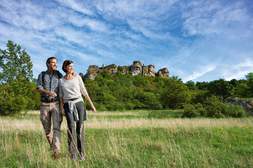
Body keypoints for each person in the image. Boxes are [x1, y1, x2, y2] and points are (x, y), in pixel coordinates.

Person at [59, 60, 96, 160]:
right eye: (70, 66)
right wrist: (62, 109)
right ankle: (73, 154)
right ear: (65, 67)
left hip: (79, 103)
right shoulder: (61, 81)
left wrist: (91, 105)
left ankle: (82, 154)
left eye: (72, 66)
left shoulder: (77, 77)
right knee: (71, 128)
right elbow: (61, 96)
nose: (72, 68)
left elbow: (84, 91)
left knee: (80, 128)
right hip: (68, 105)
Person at [36, 56, 63, 159]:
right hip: (44, 104)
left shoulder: (59, 75)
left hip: (56, 104)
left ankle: (56, 152)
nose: (55, 64)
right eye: (53, 62)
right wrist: (48, 92)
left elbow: (64, 86)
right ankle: (52, 146)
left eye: (56, 62)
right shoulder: (42, 75)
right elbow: (38, 88)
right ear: (48, 64)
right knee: (47, 131)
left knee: (56, 128)